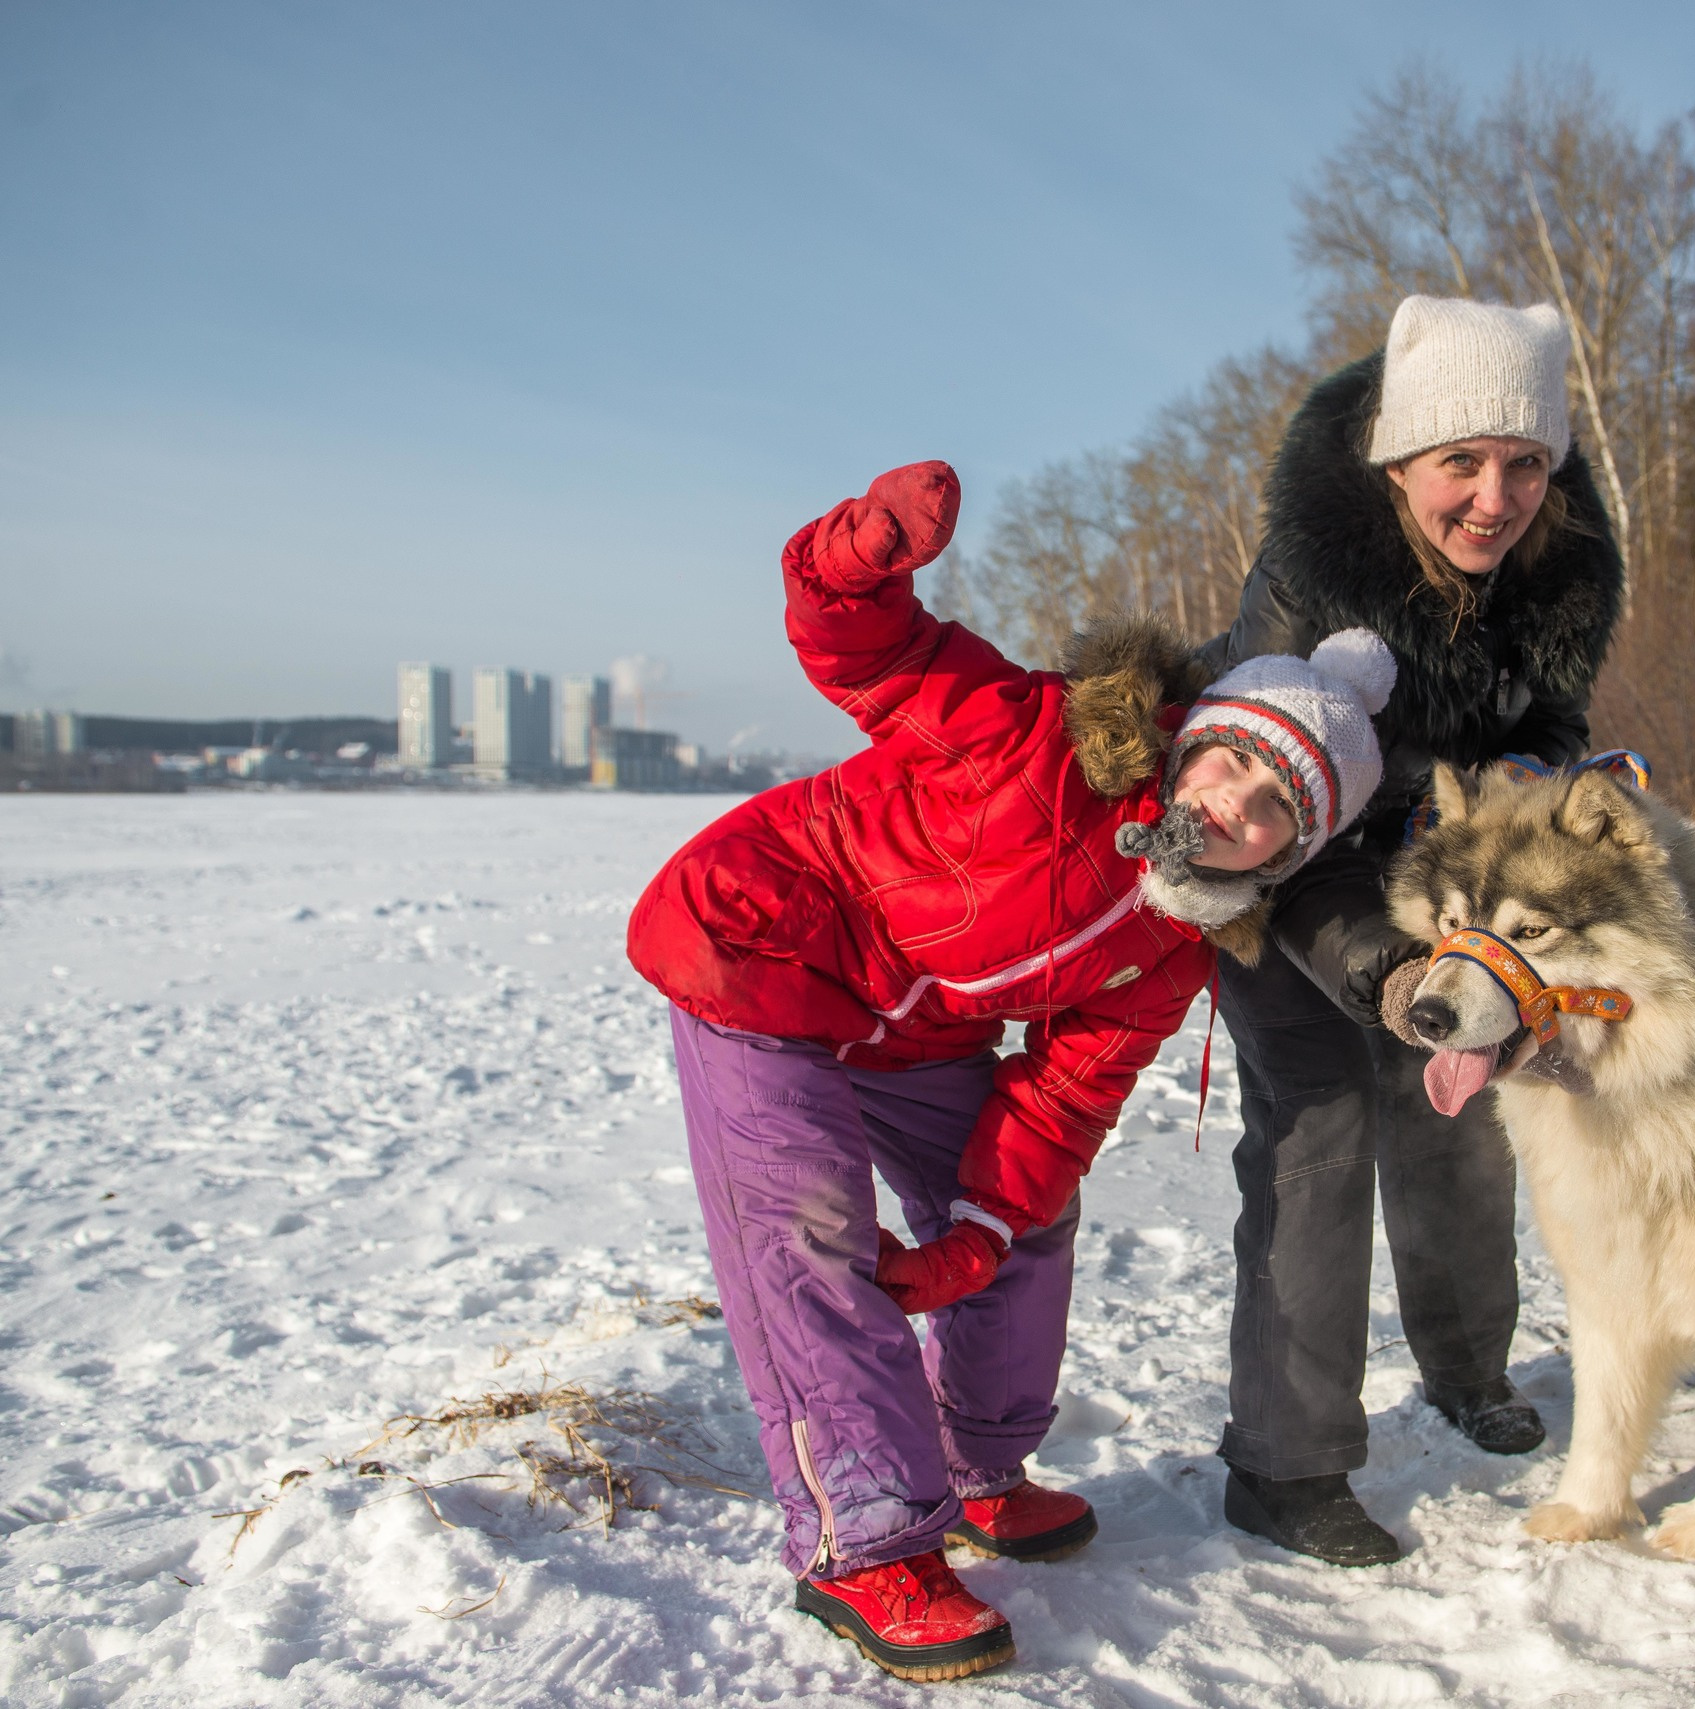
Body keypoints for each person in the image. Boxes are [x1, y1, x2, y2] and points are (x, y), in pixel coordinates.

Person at [626, 460, 1396, 1682]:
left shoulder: (1173, 944)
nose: (1231, 805)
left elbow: (1063, 1096)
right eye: (1228, 763)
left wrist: (971, 1237)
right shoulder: (1028, 734)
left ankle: (979, 1463)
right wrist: (857, 554)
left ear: (1288, 852)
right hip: (759, 950)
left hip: (912, 1030)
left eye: (1272, 811)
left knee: (1023, 1217)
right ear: (1190, 738)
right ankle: (867, 1538)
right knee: (813, 1232)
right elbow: (868, 652)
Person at [1193, 295, 1626, 1566]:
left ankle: (1467, 1366)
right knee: (1318, 1137)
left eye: (1525, 464)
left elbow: (1547, 720)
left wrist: (1535, 802)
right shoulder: (1308, 576)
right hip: (1283, 877)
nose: (1495, 498)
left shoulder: (1554, 567)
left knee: (1459, 1113)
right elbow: (1262, 821)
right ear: (1397, 463)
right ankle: (1284, 1464)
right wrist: (1382, 967)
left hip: (1444, 882)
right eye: (1462, 465)